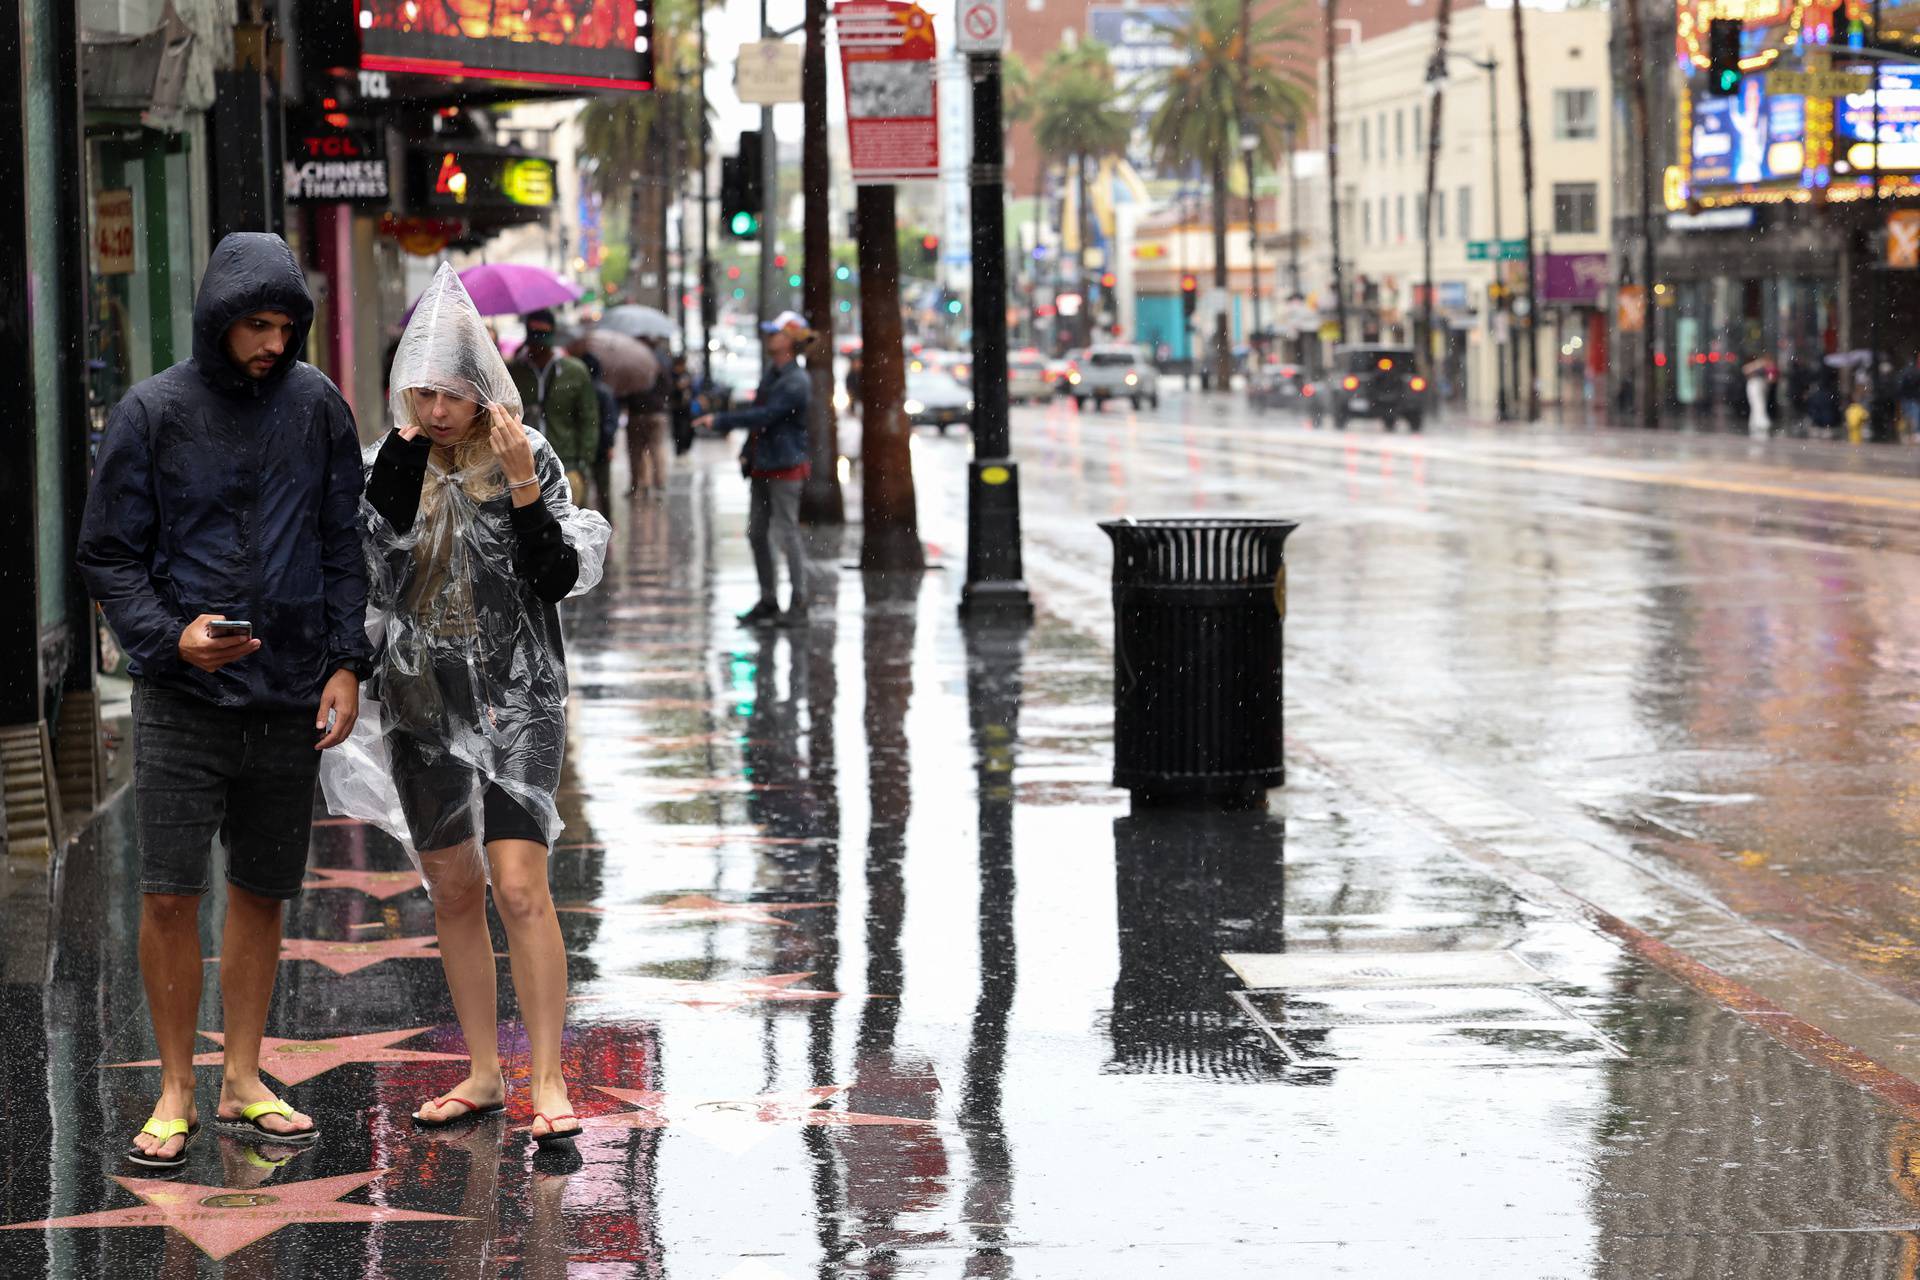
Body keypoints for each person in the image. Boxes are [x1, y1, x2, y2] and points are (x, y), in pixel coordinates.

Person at [76, 232, 372, 1168]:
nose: (273, 344)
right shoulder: (152, 411)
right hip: (179, 700)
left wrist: (344, 663)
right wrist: (171, 639)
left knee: (262, 891)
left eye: (286, 327)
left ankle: (243, 1078)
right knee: (169, 893)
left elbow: (341, 545)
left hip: (287, 697)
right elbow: (107, 555)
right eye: (256, 324)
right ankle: (173, 1090)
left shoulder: (318, 406)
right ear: (218, 319)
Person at [320, 264, 611, 1152]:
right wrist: (395, 488)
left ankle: (549, 1076)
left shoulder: (530, 455)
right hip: (420, 698)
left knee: (521, 886)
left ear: (484, 388)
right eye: (424, 391)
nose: (439, 408)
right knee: (451, 886)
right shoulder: (390, 464)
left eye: (453, 392)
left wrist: (523, 485)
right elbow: (369, 576)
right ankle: (484, 1071)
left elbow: (560, 575)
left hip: (518, 703)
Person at [695, 311, 812, 627]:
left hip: (785, 466)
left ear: (790, 340)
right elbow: (761, 420)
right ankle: (769, 599)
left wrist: (720, 421)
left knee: (787, 534)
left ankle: (798, 603)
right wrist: (748, 453)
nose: (770, 337)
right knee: (758, 533)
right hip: (764, 465)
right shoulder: (773, 375)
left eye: (776, 332)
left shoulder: (795, 381)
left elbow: (765, 416)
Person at [506, 309, 598, 505]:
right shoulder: (515, 372)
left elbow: (589, 417)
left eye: (543, 335)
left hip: (567, 461)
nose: (538, 344)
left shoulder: (574, 371)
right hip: (526, 463)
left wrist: (584, 461)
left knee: (568, 528)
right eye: (534, 335)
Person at [624, 343, 671, 497]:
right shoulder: (659, 366)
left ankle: (637, 485)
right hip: (656, 413)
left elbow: (625, 392)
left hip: (637, 414)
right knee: (656, 449)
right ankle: (659, 485)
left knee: (636, 452)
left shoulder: (632, 368)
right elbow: (668, 388)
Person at [578, 350, 621, 518]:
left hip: (583, 448)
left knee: (583, 491)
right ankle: (607, 521)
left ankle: (584, 523)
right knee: (603, 490)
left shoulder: (580, 389)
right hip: (601, 448)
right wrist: (609, 444)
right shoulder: (604, 392)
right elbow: (611, 421)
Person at [1742, 355, 1773, 438]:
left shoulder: (1765, 367)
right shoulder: (1757, 365)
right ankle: (1758, 422)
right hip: (1754, 385)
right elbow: (1745, 370)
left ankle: (1757, 422)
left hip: (1761, 385)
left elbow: (1771, 376)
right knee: (1757, 404)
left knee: (1759, 404)